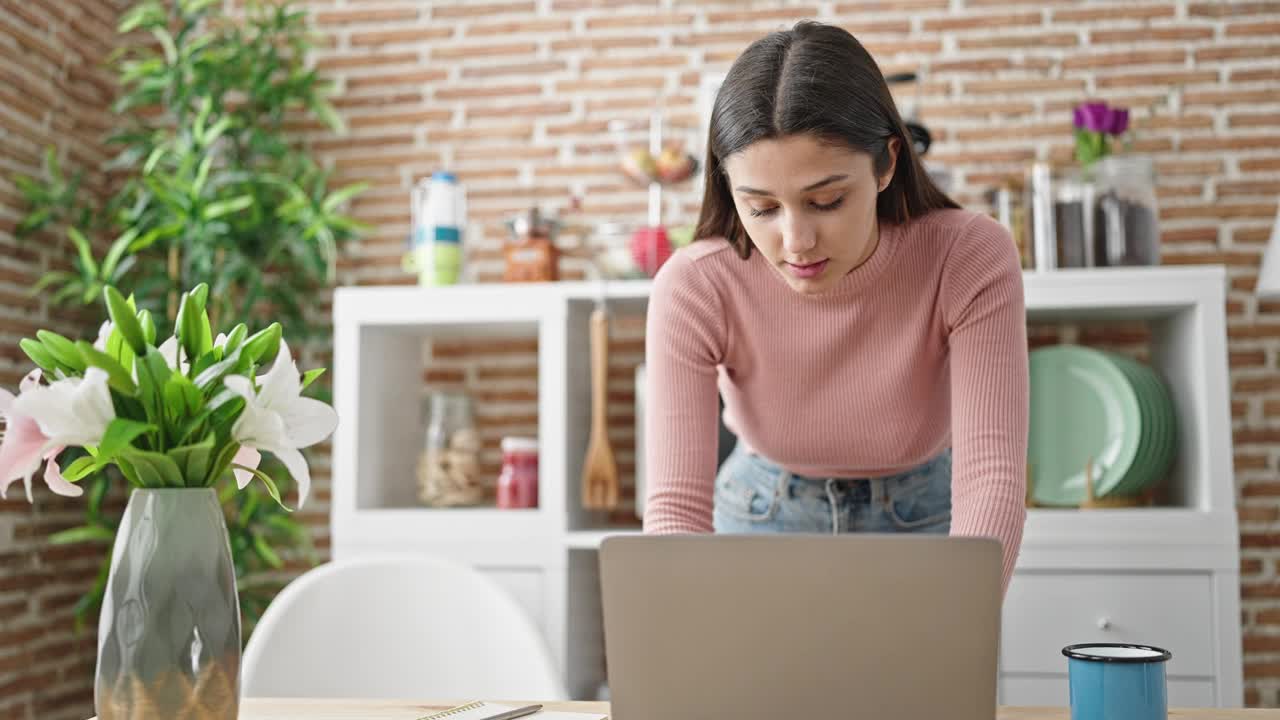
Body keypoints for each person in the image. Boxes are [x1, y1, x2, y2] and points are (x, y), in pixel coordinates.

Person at [642, 20, 1028, 594]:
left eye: (826, 201)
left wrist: (962, 613)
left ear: (887, 163)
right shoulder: (696, 285)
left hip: (929, 525)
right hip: (758, 521)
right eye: (763, 208)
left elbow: (992, 478)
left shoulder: (967, 256)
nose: (796, 241)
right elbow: (675, 505)